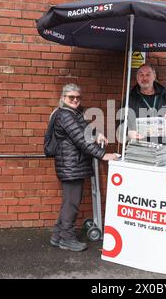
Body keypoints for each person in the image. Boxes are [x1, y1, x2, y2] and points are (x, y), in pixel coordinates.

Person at [50, 83, 118, 252]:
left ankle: (57, 236)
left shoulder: (75, 113)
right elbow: (81, 139)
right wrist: (103, 155)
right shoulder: (65, 115)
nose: (75, 100)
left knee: (69, 202)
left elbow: (86, 129)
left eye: (77, 97)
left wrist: (96, 134)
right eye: (71, 97)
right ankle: (67, 238)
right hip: (70, 165)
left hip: (74, 164)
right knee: (72, 203)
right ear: (63, 98)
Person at [125, 64, 166, 148]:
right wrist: (128, 132)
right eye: (141, 75)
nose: (144, 78)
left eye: (148, 75)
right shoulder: (129, 99)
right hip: (138, 149)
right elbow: (121, 122)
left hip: (163, 149)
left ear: (154, 76)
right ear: (137, 78)